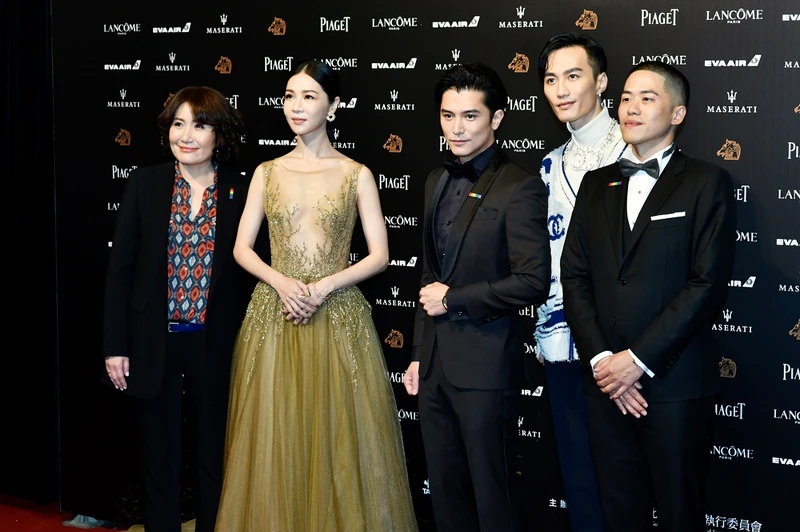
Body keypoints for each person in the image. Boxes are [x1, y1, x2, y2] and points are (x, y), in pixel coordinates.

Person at [214, 60, 418, 531]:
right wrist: (282, 283)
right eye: (290, 95)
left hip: (337, 316)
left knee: (338, 438)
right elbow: (242, 248)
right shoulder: (266, 172)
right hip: (275, 315)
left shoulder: (356, 174)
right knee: (275, 439)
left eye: (309, 96)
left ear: (334, 106)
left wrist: (324, 286)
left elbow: (380, 255)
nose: (296, 106)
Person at [560, 61, 736, 532]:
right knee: (619, 513)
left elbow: (706, 285)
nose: (631, 108)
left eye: (647, 98)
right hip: (606, 388)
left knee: (680, 514)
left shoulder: (707, 182)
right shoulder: (596, 184)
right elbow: (574, 277)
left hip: (675, 386)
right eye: (625, 98)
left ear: (678, 114)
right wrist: (604, 362)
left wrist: (636, 362)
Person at [103, 86, 264, 532]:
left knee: (215, 459)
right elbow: (121, 270)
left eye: (200, 125)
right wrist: (115, 346)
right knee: (159, 462)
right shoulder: (146, 183)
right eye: (178, 124)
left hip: (216, 345)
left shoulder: (241, 190)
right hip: (154, 342)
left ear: (220, 134)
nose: (186, 135)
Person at [404, 63, 551, 532]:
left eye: (470, 116)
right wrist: (418, 354)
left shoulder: (520, 185)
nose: (457, 128)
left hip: (487, 367)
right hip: (434, 369)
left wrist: (456, 299)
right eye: (448, 116)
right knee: (446, 496)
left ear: (497, 118)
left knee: (493, 496)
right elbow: (429, 275)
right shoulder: (435, 179)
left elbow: (533, 280)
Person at [534, 32, 625, 532]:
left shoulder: (633, 149)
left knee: (627, 480)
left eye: (573, 76)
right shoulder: (550, 164)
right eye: (551, 79)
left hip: (622, 347)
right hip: (562, 341)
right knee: (579, 474)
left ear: (602, 81)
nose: (561, 90)